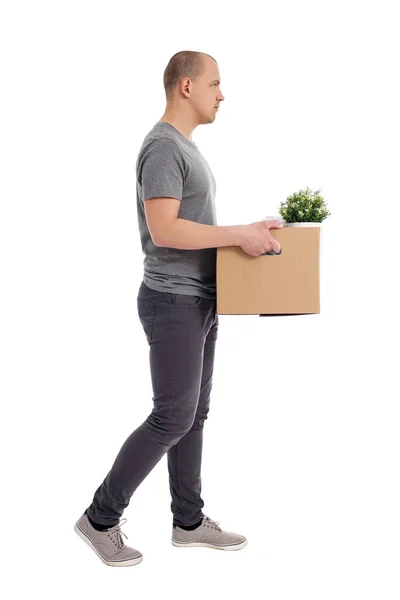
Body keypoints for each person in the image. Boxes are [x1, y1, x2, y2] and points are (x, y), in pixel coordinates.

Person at [74, 50, 282, 567]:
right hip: (172, 301)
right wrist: (237, 234)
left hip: (200, 301)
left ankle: (188, 521)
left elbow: (190, 225)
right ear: (186, 86)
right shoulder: (163, 146)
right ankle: (99, 519)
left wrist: (247, 235)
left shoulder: (184, 148)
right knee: (172, 416)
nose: (222, 93)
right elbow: (165, 229)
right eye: (215, 83)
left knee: (193, 416)